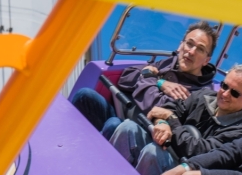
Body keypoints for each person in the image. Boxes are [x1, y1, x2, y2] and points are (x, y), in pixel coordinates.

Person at [110, 64, 242, 175]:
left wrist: (172, 121)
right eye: (224, 86)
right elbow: (169, 109)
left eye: (234, 93)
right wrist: (162, 122)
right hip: (168, 148)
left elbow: (200, 152)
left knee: (152, 152)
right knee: (128, 127)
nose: (225, 93)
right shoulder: (203, 96)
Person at [70, 21, 218, 138]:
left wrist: (149, 75)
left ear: (206, 60)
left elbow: (156, 107)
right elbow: (126, 77)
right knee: (85, 95)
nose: (191, 51)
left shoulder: (201, 92)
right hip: (126, 114)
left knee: (113, 125)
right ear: (181, 45)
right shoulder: (169, 63)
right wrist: (160, 82)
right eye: (189, 43)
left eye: (200, 49)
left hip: (143, 135)